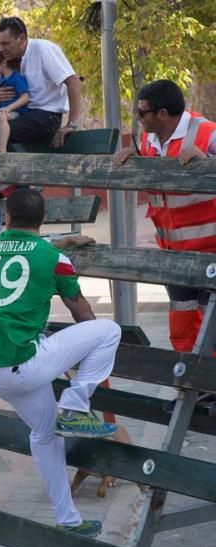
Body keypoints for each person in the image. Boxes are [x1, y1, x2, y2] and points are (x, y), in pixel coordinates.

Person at [0, 188, 121, 538]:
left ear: (7, 219)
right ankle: (75, 405)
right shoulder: (53, 257)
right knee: (108, 331)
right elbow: (81, 311)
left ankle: (69, 520)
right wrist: (89, 363)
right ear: (43, 220)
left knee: (44, 435)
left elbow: (29, 246)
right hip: (27, 363)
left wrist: (66, 241)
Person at [114, 79, 216, 362]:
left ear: (162, 114)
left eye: (142, 112)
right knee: (183, 323)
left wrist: (207, 161)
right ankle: (188, 387)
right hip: (173, 253)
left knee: (212, 326)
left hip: (210, 253)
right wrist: (136, 157)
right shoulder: (149, 138)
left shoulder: (205, 132)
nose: (137, 118)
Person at [0, 16, 83, 150]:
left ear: (21, 38)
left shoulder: (44, 50)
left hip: (45, 115)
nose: (1, 49)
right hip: (23, 112)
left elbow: (74, 82)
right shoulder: (10, 58)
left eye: (5, 44)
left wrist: (71, 124)